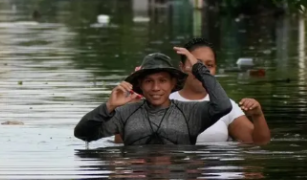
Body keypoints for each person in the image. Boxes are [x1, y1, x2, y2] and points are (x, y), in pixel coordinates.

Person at [74, 48, 232, 145]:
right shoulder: (124, 114)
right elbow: (83, 134)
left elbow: (223, 106)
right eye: (149, 81)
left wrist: (199, 68)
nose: (156, 88)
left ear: (173, 83)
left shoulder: (190, 113)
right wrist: (108, 106)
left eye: (162, 81)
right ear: (140, 85)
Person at [172, 38, 270, 144]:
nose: (202, 71)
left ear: (215, 69)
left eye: (209, 65)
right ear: (182, 67)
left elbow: (258, 143)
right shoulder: (165, 103)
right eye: (196, 64)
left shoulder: (225, 105)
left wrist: (257, 115)